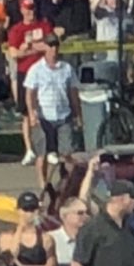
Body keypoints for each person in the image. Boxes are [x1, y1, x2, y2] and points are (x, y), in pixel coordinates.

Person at [25, 35, 81, 190]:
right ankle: (43, 185)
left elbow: (73, 93)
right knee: (42, 153)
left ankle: (67, 183)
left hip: (64, 115)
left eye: (56, 46)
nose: (53, 49)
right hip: (43, 117)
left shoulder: (67, 69)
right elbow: (30, 93)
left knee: (67, 154)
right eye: (50, 46)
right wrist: (31, 113)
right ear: (45, 48)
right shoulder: (36, 69)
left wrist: (78, 115)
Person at [71, 180, 134, 266]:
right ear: (123, 198)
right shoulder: (92, 228)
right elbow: (77, 264)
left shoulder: (130, 231)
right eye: (133, 198)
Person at [0, 192, 52, 266]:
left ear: (37, 211)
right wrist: (20, 228)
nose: (28, 214)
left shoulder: (46, 238)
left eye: (32, 210)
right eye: (25, 209)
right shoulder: (6, 237)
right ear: (18, 210)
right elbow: (10, 260)